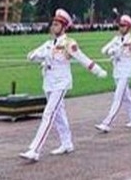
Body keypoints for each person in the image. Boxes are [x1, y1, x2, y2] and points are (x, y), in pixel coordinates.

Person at [20, 9, 107, 162]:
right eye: (52, 24)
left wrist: (98, 71)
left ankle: (35, 149)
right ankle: (67, 143)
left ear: (64, 27)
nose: (53, 27)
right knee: (59, 114)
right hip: (49, 82)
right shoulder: (48, 44)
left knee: (48, 114)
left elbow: (82, 58)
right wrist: (39, 56)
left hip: (61, 82)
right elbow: (31, 55)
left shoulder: (69, 43)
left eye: (56, 24)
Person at [95, 15, 131, 132]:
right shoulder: (116, 39)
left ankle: (106, 122)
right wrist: (112, 51)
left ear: (129, 27)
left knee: (118, 96)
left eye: (123, 26)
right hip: (117, 70)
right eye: (120, 25)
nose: (120, 28)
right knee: (125, 96)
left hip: (127, 70)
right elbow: (104, 50)